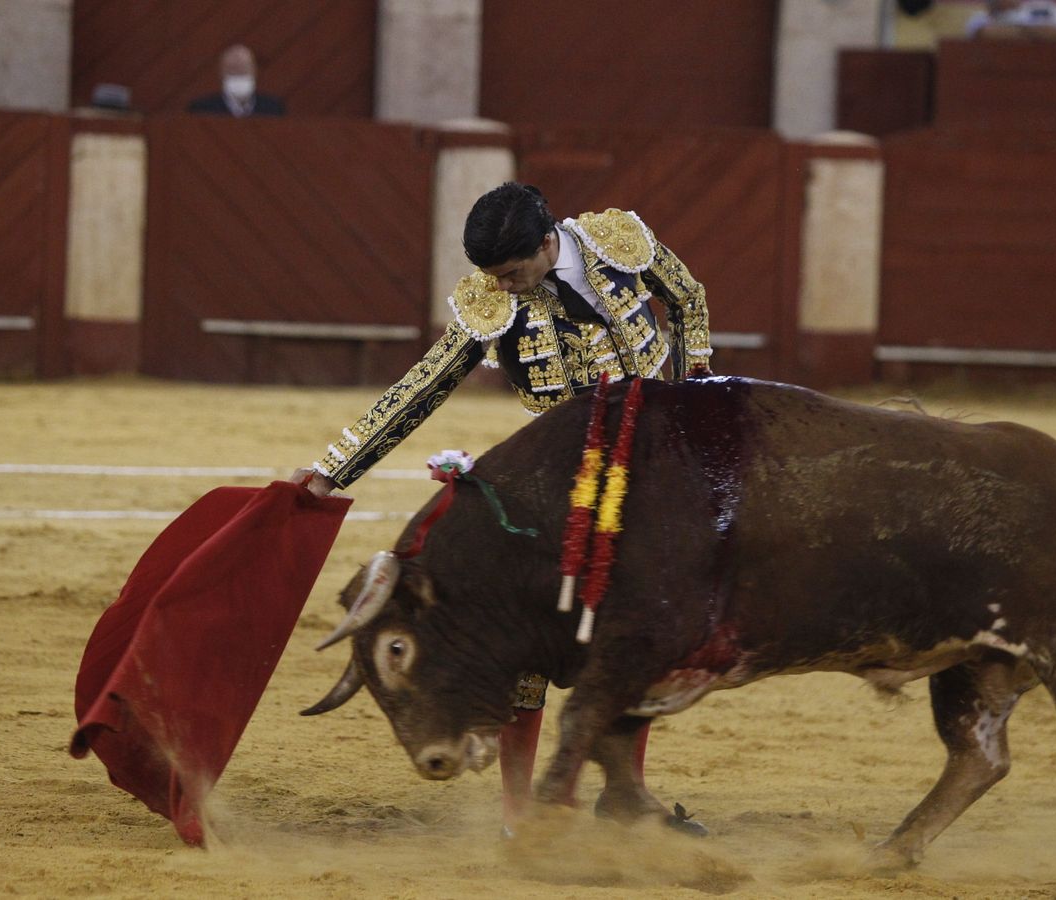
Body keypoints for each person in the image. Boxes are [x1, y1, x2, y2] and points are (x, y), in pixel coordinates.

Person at [292, 182, 714, 836]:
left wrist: (693, 397)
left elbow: (687, 300)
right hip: (559, 485)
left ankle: (623, 796)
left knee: (636, 647)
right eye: (496, 277)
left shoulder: (619, 244)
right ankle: (522, 814)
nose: (507, 288)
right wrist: (330, 471)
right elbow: (422, 387)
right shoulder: (491, 302)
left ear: (549, 244)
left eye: (515, 273)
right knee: (524, 649)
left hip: (658, 478)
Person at [186, 44, 286, 117]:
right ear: (221, 74)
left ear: (254, 73)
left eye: (243, 72)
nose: (238, 77)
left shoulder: (273, 109)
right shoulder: (202, 109)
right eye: (232, 72)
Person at [965, 0, 1056, 42]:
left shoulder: (1047, 8)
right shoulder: (981, 17)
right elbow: (984, 34)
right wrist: (1034, 34)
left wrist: (1010, 32)